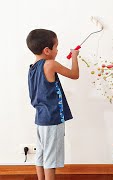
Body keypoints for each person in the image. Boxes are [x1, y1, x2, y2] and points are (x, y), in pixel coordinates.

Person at [27, 29, 79, 180]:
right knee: (50, 159)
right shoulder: (50, 64)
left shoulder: (32, 68)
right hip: (52, 119)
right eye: (56, 47)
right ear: (47, 50)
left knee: (41, 154)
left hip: (41, 118)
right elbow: (74, 74)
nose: (57, 50)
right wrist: (74, 57)